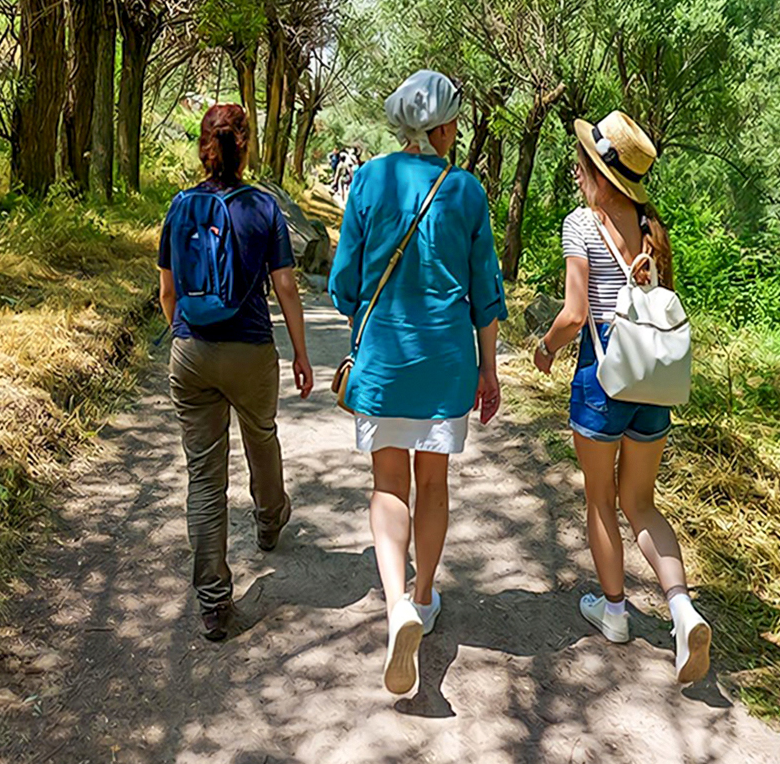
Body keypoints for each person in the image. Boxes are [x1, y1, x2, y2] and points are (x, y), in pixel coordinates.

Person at [329, 70, 507, 696]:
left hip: (384, 359)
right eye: (454, 119)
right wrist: (489, 368)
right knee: (432, 481)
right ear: (440, 126)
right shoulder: (465, 191)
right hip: (447, 361)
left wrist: (361, 312)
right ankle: (424, 598)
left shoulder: (370, 179)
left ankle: (396, 604)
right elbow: (485, 291)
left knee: (387, 484)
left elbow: (345, 280)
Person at [532, 110, 711, 684]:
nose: (576, 171)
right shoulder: (652, 225)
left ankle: (614, 613)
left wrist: (545, 348)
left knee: (600, 503)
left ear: (595, 172)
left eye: (581, 163)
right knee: (641, 503)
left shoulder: (582, 224)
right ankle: (682, 611)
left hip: (603, 378)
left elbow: (575, 312)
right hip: (652, 383)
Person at [158, 104, 314, 642]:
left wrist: (187, 334)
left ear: (204, 146)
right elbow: (287, 287)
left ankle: (213, 602)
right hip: (250, 351)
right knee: (261, 436)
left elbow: (167, 294)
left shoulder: (180, 207)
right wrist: (300, 352)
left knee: (204, 476)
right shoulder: (264, 209)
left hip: (192, 351)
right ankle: (270, 519)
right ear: (244, 145)